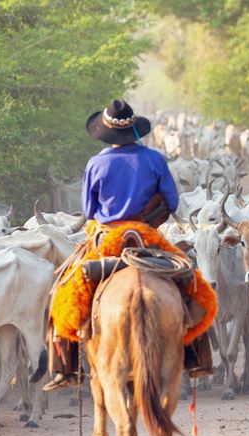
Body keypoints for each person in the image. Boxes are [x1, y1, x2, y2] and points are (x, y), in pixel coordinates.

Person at [43, 99, 217, 391]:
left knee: (63, 288)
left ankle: (66, 367)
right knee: (192, 281)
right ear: (134, 129)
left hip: (105, 241)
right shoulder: (155, 159)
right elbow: (172, 202)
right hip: (148, 237)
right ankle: (197, 357)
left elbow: (89, 210)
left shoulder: (96, 163)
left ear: (106, 132)